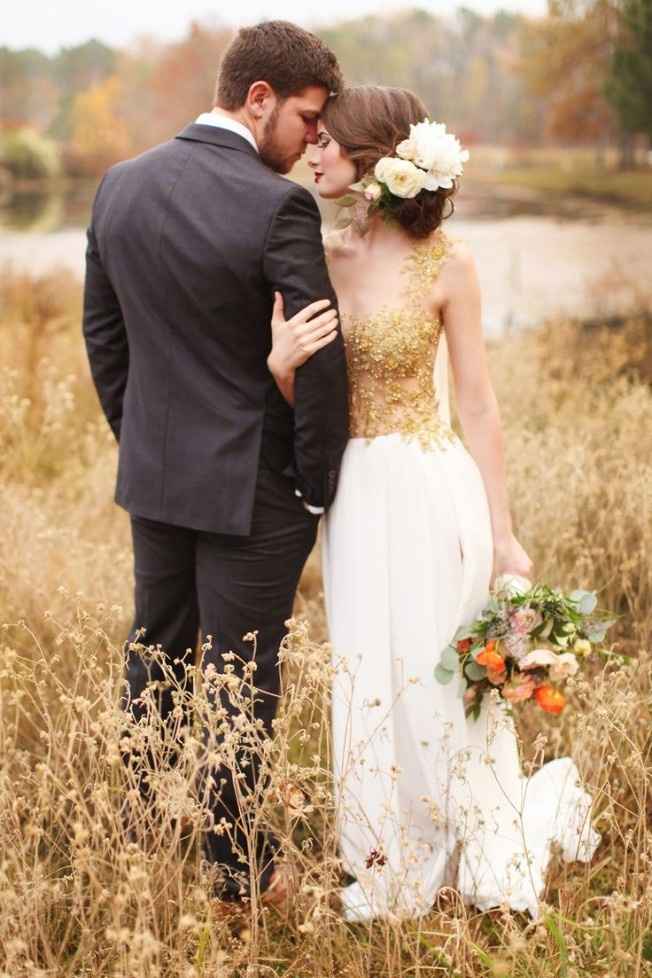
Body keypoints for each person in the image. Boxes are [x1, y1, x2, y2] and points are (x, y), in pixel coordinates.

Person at [267, 85, 601, 922]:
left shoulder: (450, 262)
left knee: (435, 673)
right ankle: (390, 856)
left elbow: (479, 402)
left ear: (373, 161)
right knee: (369, 672)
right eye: (311, 141)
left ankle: (470, 835)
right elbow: (305, 395)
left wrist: (504, 531)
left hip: (428, 482)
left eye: (329, 144)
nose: (313, 154)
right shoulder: (321, 256)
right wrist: (279, 370)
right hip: (355, 493)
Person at [82, 21, 348, 912]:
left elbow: (104, 336)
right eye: (308, 119)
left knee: (154, 657)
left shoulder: (120, 185)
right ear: (259, 98)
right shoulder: (278, 206)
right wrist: (316, 485)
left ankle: (141, 834)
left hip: (156, 478)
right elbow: (319, 355)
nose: (314, 138)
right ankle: (239, 875)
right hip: (254, 489)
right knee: (242, 679)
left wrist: (142, 440)